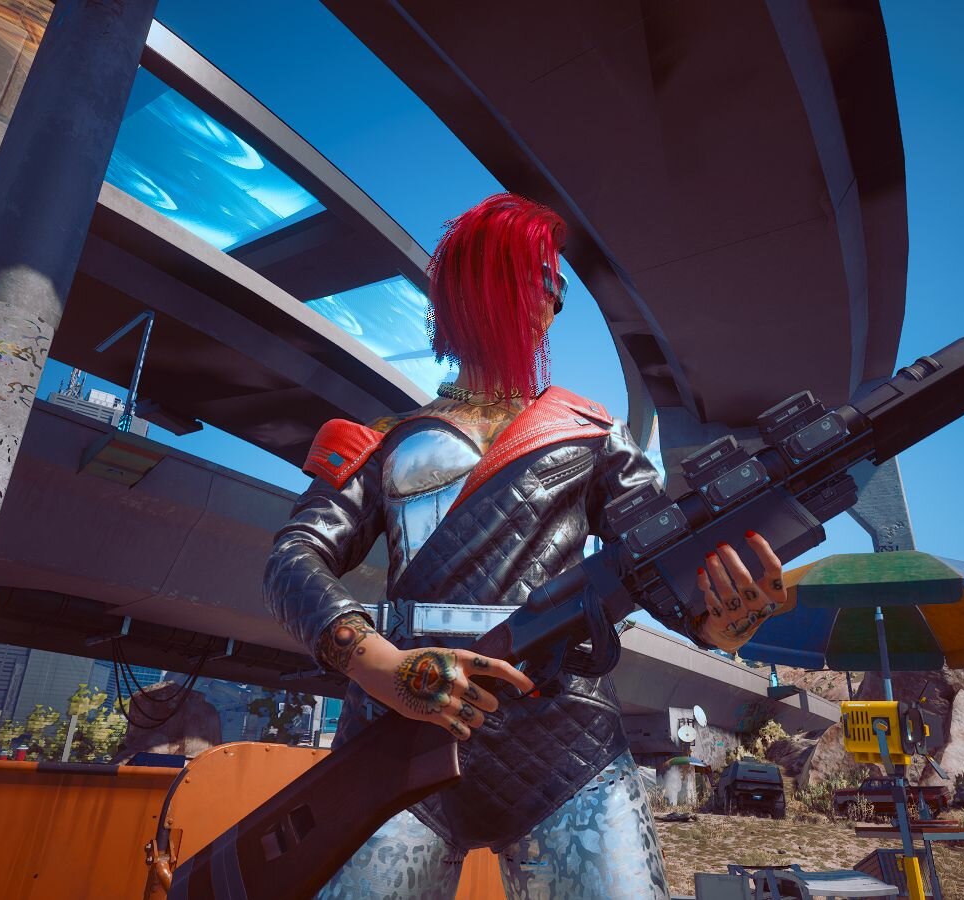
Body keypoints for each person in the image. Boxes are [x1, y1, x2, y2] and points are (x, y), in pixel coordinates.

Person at [265, 193, 787, 900]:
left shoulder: (592, 431)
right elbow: (294, 555)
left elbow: (659, 561)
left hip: (566, 740)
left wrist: (719, 620)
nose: (554, 305)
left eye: (560, 290)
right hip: (399, 735)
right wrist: (379, 664)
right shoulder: (383, 440)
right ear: (486, 278)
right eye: (543, 280)